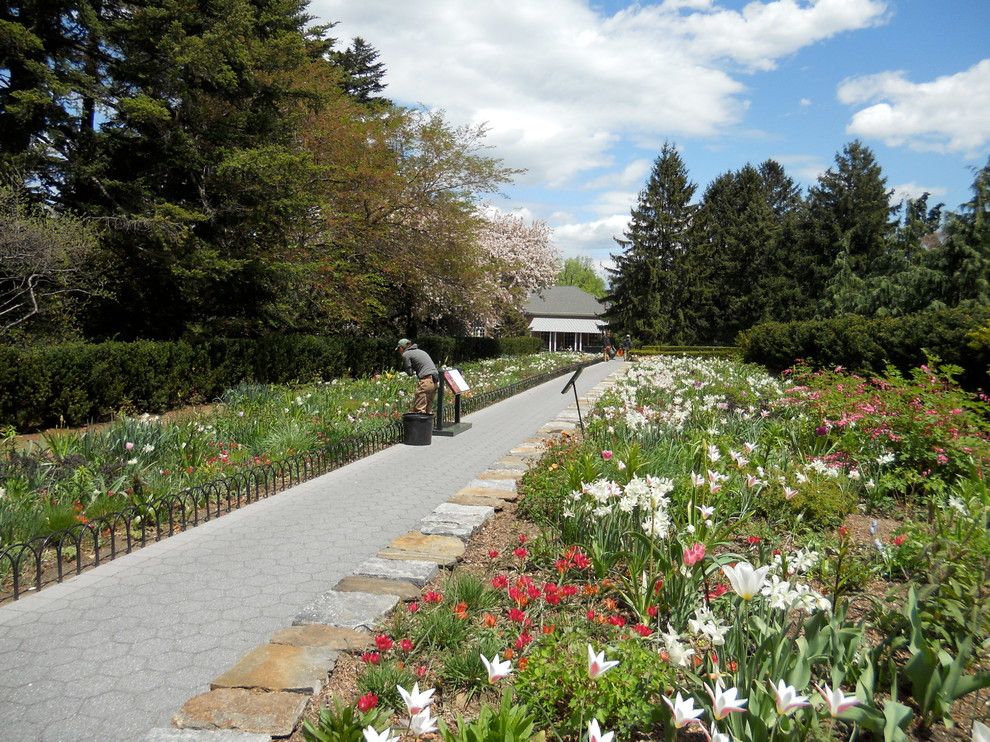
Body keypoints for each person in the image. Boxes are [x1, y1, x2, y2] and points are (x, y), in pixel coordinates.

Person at [397, 338, 439, 414]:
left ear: (401, 348)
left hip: (426, 380)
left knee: (419, 410)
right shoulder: (421, 351)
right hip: (435, 381)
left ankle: (420, 426)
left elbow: (409, 372)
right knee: (428, 410)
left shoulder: (406, 354)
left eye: (398, 349)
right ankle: (428, 426)